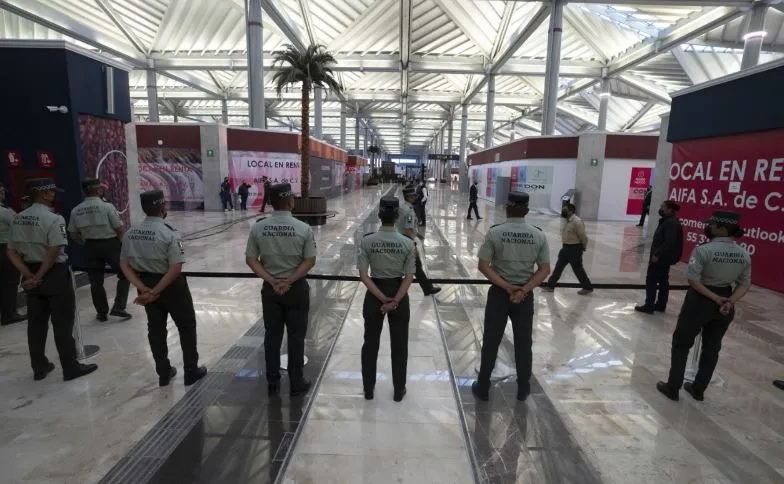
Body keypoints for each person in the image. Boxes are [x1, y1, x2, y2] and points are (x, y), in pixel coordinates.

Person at [6, 178, 98, 381]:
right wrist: (40, 275)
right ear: (45, 194)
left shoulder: (18, 218)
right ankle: (70, 367)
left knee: (36, 324)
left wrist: (29, 274)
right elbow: (54, 249)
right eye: (52, 192)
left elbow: (11, 251)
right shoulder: (55, 219)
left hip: (30, 272)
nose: (55, 195)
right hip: (53, 274)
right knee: (62, 324)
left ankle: (39, 367)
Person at [656, 210, 751, 402]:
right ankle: (699, 389)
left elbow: (693, 279)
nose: (708, 227)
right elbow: (744, 283)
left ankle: (673, 387)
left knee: (682, 343)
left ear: (722, 228)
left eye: (712, 225)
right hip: (725, 300)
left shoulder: (703, 250)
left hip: (700, 300)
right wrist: (729, 301)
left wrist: (715, 298)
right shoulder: (743, 254)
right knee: (712, 347)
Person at [119, 189, 207, 387]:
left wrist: (144, 289)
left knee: (155, 329)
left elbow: (124, 265)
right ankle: (191, 371)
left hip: (146, 285)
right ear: (162, 207)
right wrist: (156, 291)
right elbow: (176, 268)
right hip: (171, 287)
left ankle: (163, 372)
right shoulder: (169, 233)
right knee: (186, 327)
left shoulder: (130, 234)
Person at [471, 192, 550, 402]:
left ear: (507, 208)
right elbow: (544, 270)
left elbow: (483, 265)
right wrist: (524, 289)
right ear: (526, 210)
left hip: (499, 293)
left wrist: (507, 287)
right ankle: (523, 388)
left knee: (491, 341)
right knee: (524, 343)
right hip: (524, 296)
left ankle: (484, 386)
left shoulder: (495, 233)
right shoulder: (538, 235)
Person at [245, 183, 315, 397]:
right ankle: (296, 382)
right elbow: (309, 260)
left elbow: (250, 260)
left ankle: (272, 381)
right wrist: (290, 280)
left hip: (271, 290)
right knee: (296, 337)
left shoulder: (258, 227)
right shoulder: (303, 228)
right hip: (296, 290)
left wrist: (272, 281)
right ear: (289, 202)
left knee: (272, 336)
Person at [358, 197, 416, 402]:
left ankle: (368, 388)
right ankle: (399, 390)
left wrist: (382, 298)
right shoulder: (408, 243)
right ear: (397, 216)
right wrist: (395, 300)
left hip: (375, 295)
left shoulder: (367, 241)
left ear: (379, 215)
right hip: (399, 293)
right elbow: (409, 276)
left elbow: (364, 275)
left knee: (370, 342)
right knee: (400, 345)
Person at [68, 178, 131, 322]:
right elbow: (119, 228)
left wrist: (83, 243)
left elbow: (72, 233)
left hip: (90, 247)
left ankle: (102, 313)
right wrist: (124, 245)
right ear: (98, 190)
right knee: (125, 274)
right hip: (110, 245)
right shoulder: (107, 207)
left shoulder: (76, 210)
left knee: (96, 282)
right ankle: (119, 307)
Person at [635, 200, 684, 314]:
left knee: (651, 280)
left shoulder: (670, 223)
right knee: (663, 280)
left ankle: (649, 305)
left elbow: (669, 242)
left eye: (663, 207)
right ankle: (660, 305)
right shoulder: (669, 221)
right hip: (664, 257)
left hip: (661, 258)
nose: (661, 209)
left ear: (670, 209)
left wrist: (657, 254)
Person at [542, 203, 593, 295]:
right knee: (558, 267)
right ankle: (550, 286)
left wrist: (583, 247)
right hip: (565, 248)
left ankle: (587, 287)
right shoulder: (567, 220)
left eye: (565, 210)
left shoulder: (577, 221)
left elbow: (583, 237)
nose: (563, 211)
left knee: (578, 269)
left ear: (571, 211)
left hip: (574, 248)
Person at [399, 187, 441, 296]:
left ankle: (427, 288)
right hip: (406, 242)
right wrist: (413, 246)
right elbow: (407, 229)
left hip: (401, 240)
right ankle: (427, 288)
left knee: (415, 267)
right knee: (416, 267)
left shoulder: (403, 207)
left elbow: (407, 226)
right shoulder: (409, 211)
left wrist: (417, 234)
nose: (415, 198)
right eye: (413, 196)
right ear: (408, 197)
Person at [0, 183, 26, 325]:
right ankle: (10, 314)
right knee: (9, 283)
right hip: (5, 250)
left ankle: (5, 312)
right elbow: (18, 225)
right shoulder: (5, 212)